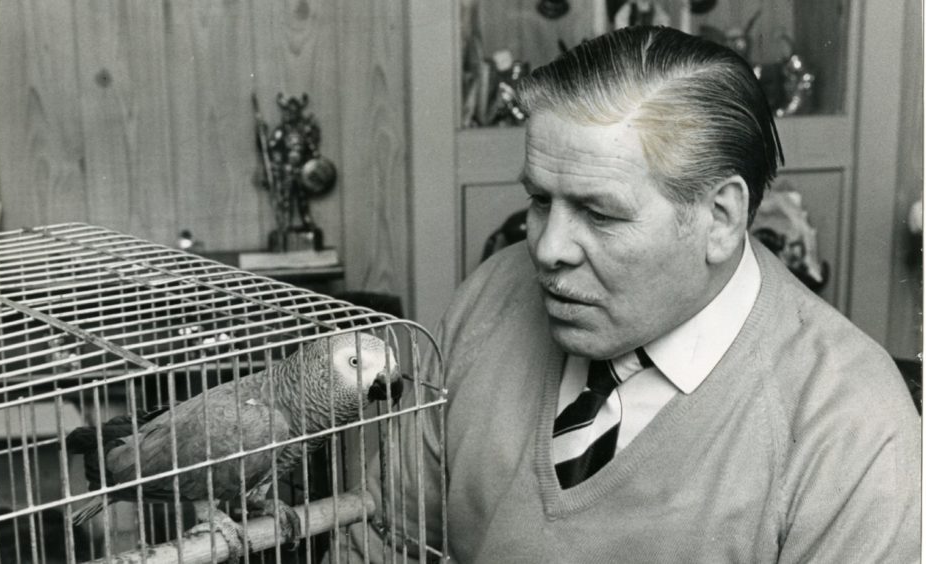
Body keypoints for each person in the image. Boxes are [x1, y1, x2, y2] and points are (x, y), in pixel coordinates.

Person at [344, 26, 921, 562]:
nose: (547, 250)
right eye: (541, 201)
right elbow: (382, 543)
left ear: (720, 219)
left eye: (598, 212)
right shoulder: (492, 295)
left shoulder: (853, 425)